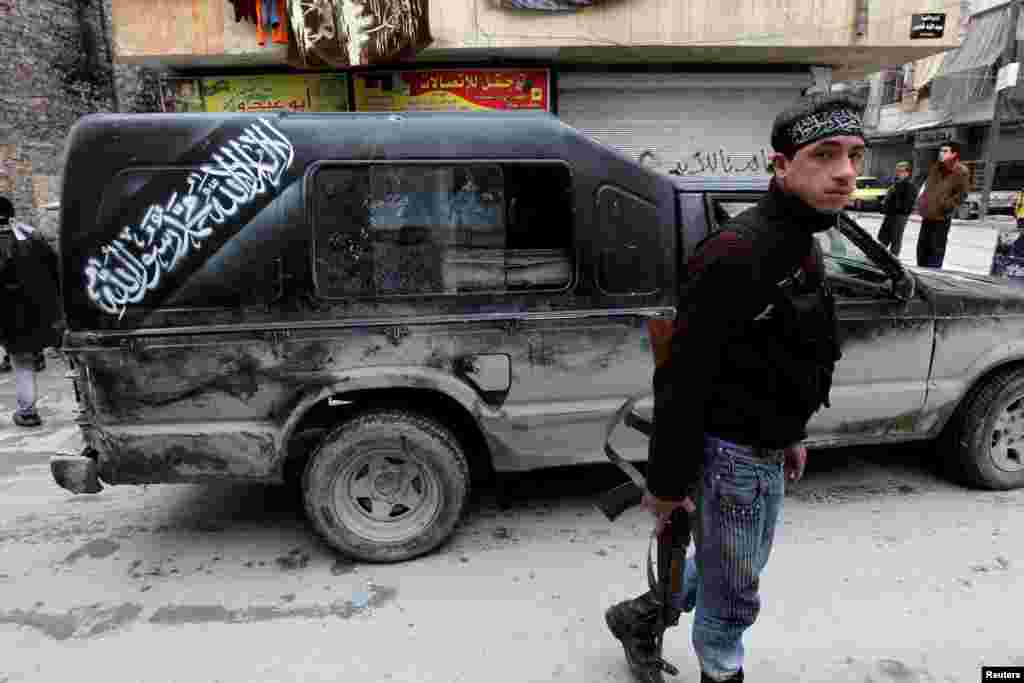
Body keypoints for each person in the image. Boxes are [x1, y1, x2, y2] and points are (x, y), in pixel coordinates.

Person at [604, 93, 857, 683]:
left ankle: (639, 616)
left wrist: (792, 432)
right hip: (730, 458)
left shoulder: (802, 242)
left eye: (853, 155)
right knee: (732, 600)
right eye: (825, 155)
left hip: (765, 451)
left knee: (736, 567)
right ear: (781, 166)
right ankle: (720, 672)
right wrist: (666, 486)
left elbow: (792, 355)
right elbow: (682, 382)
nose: (846, 172)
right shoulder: (737, 254)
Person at [0, 197, 62, 427]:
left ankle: (27, 412)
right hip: (41, 314)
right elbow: (55, 270)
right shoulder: (32, 237)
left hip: (9, 319)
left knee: (22, 364)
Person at [916, 142, 970, 269]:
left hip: (941, 217)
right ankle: (921, 272)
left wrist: (946, 205)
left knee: (936, 251)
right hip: (928, 214)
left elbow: (962, 194)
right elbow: (928, 187)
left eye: (945, 151)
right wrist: (922, 201)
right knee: (922, 249)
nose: (941, 153)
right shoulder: (935, 167)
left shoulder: (961, 171)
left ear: (954, 154)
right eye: (941, 151)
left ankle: (932, 275)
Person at [876, 161, 916, 256]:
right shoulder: (895, 184)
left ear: (907, 173)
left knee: (895, 239)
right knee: (882, 238)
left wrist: (894, 206)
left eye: (901, 171)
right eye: (897, 170)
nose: (898, 173)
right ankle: (878, 257)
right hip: (890, 215)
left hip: (899, 216)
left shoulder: (909, 186)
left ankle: (893, 261)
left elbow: (907, 205)